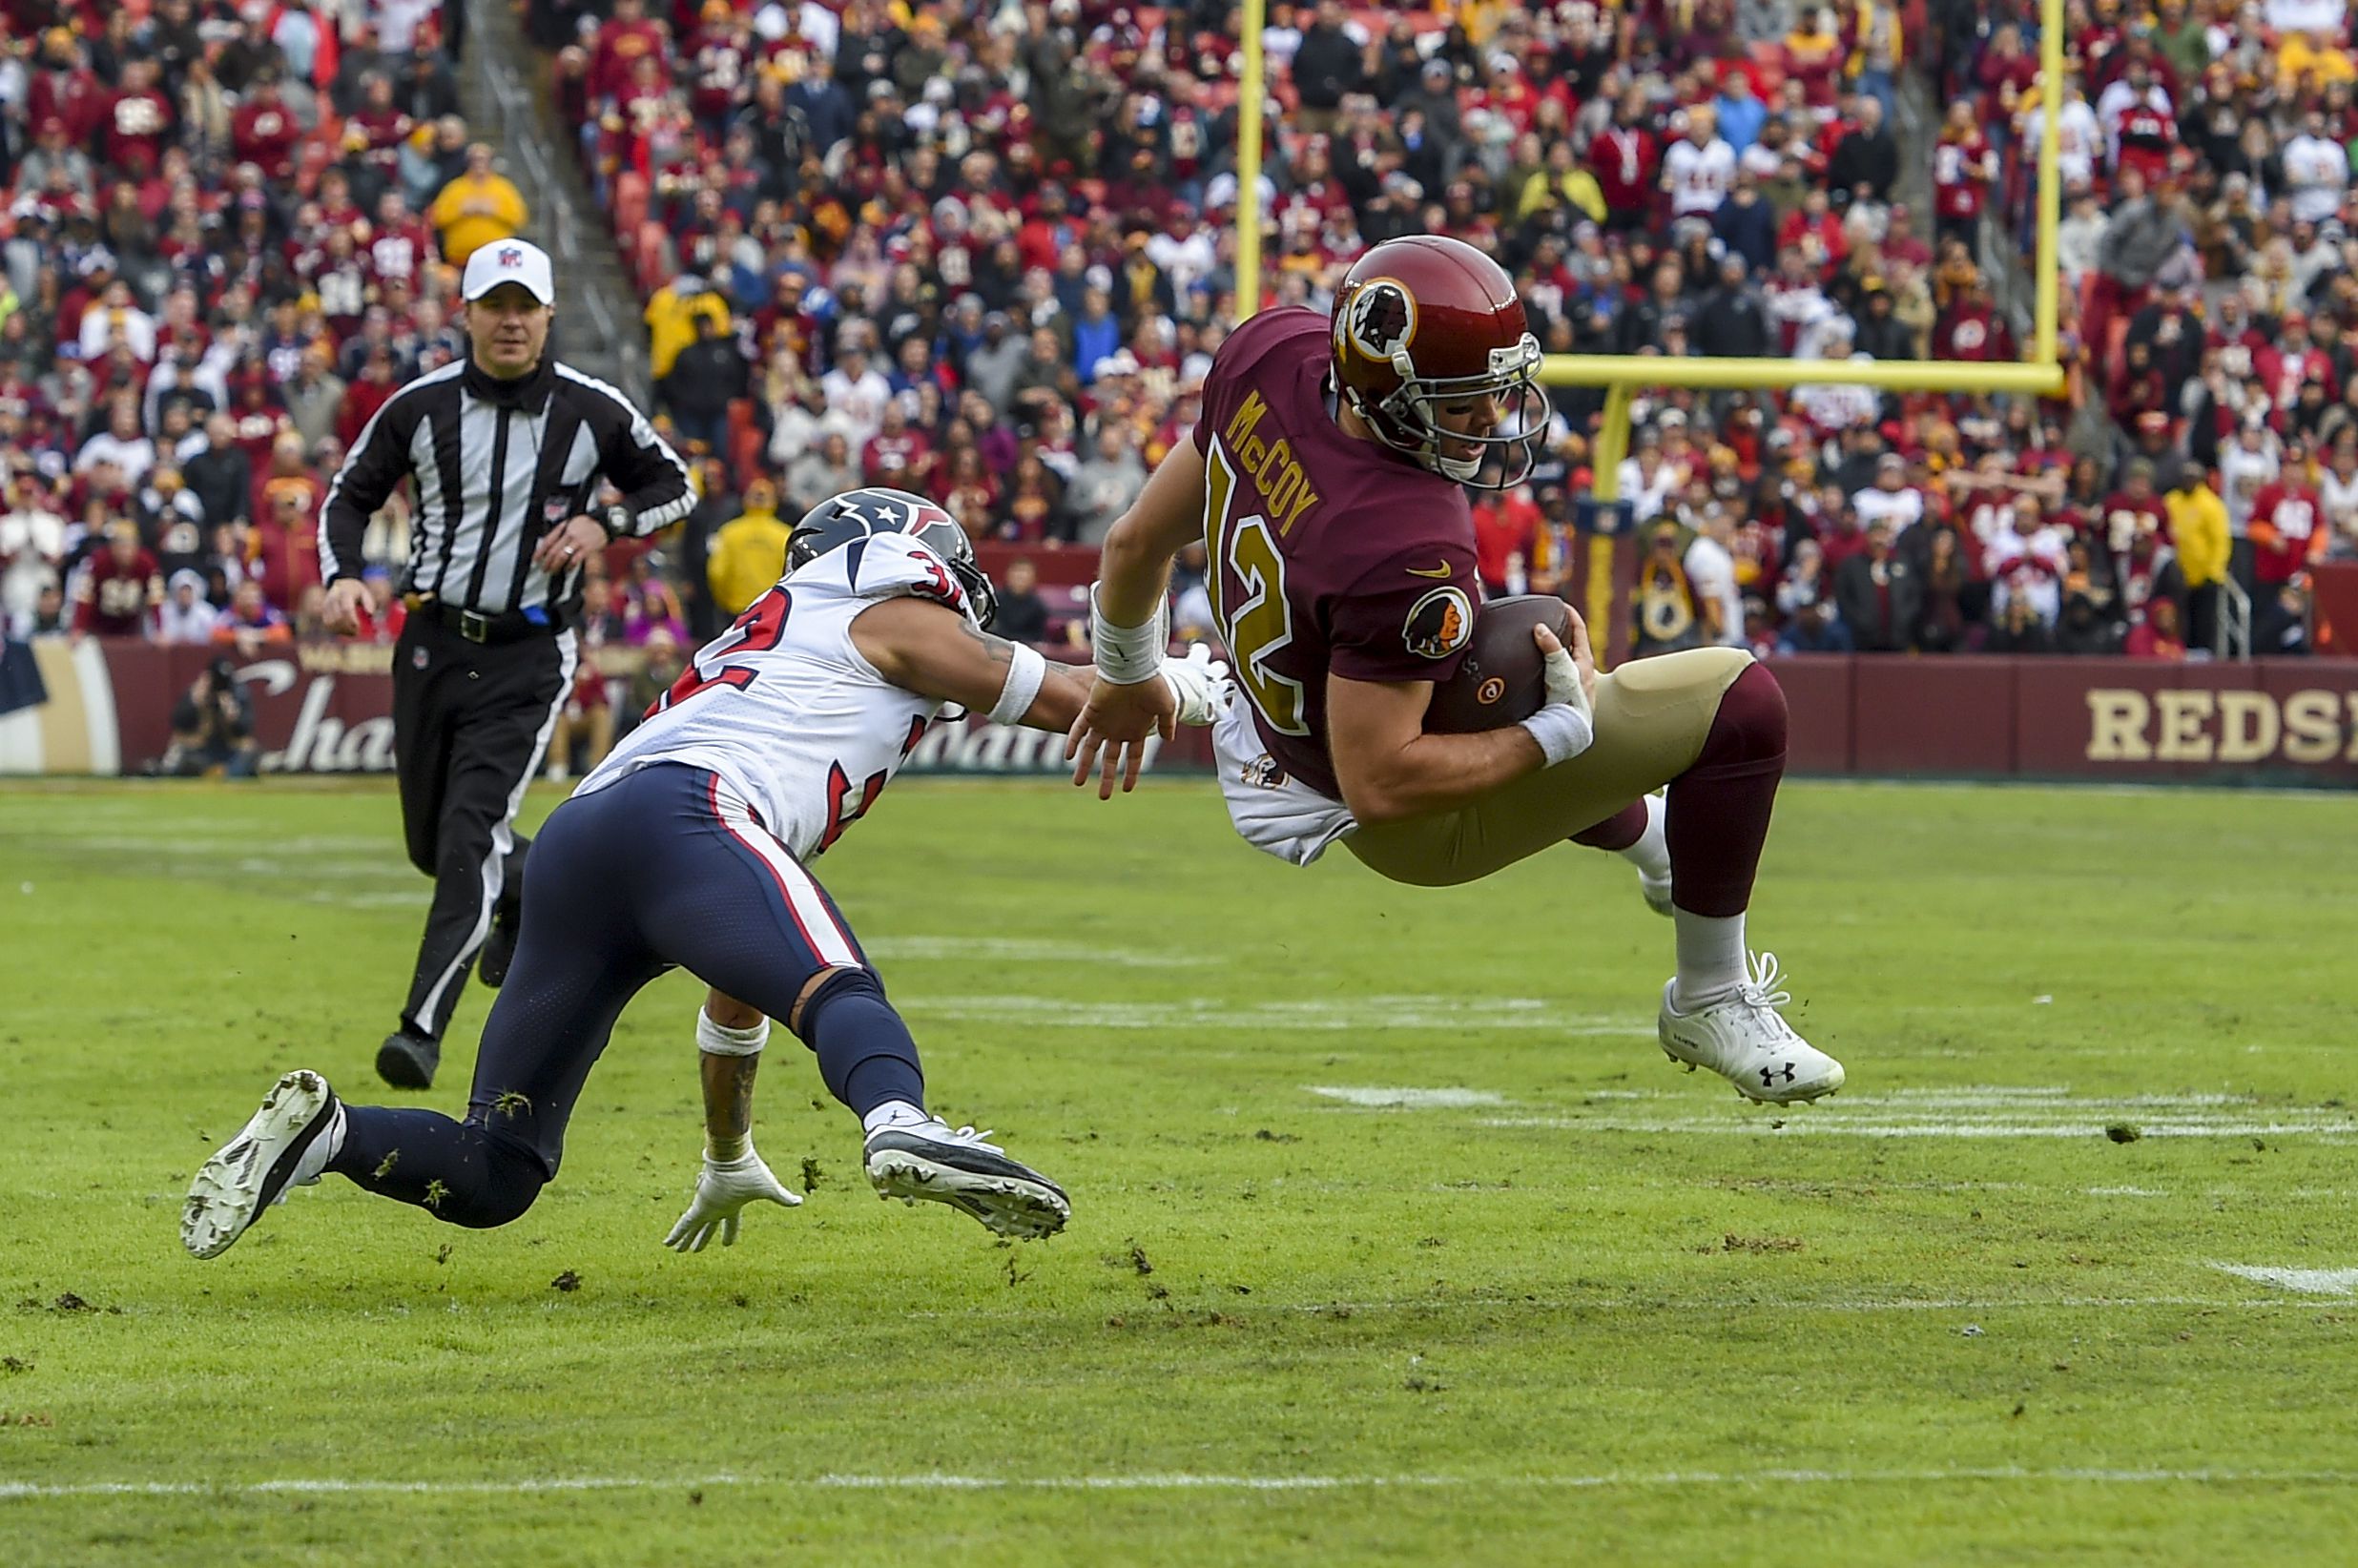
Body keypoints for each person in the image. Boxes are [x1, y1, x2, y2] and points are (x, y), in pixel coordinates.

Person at [182, 490, 1224, 1261]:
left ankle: (327, 1135)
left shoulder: (775, 655)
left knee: (497, 1170)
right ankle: (899, 1121)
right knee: (845, 992)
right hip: (688, 815)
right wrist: (1189, 684)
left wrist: (728, 1151)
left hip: (588, 841)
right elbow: (1058, 694)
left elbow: (739, 989)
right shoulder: (882, 613)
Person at [1065, 236, 1844, 1106]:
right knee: (1735, 704)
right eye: (1463, 398)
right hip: (1393, 813)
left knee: (1521, 654)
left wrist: (1128, 672)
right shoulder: (1405, 538)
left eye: (1497, 389)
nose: (1489, 417)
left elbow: (1135, 542)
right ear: (1386, 387)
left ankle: (1653, 838)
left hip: (1276, 723)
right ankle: (1709, 996)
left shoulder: (1273, 352)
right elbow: (1384, 787)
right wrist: (1549, 736)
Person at [318, 237, 695, 1091]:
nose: (513, 321)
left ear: (550, 314)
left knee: (464, 837)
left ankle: (420, 1028)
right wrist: (341, 575)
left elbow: (675, 485)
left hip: (530, 651)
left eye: (527, 306)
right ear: (468, 314)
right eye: (497, 305)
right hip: (431, 643)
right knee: (437, 843)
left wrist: (607, 524)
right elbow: (349, 493)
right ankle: (523, 888)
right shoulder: (418, 409)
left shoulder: (592, 410)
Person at [159, 655, 259, 776]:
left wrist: (233, 717)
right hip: (201, 749)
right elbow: (178, 723)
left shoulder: (238, 693)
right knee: (183, 756)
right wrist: (194, 702)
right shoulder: (196, 692)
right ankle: (210, 772)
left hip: (229, 750)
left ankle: (226, 773)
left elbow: (246, 729)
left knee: (251, 752)